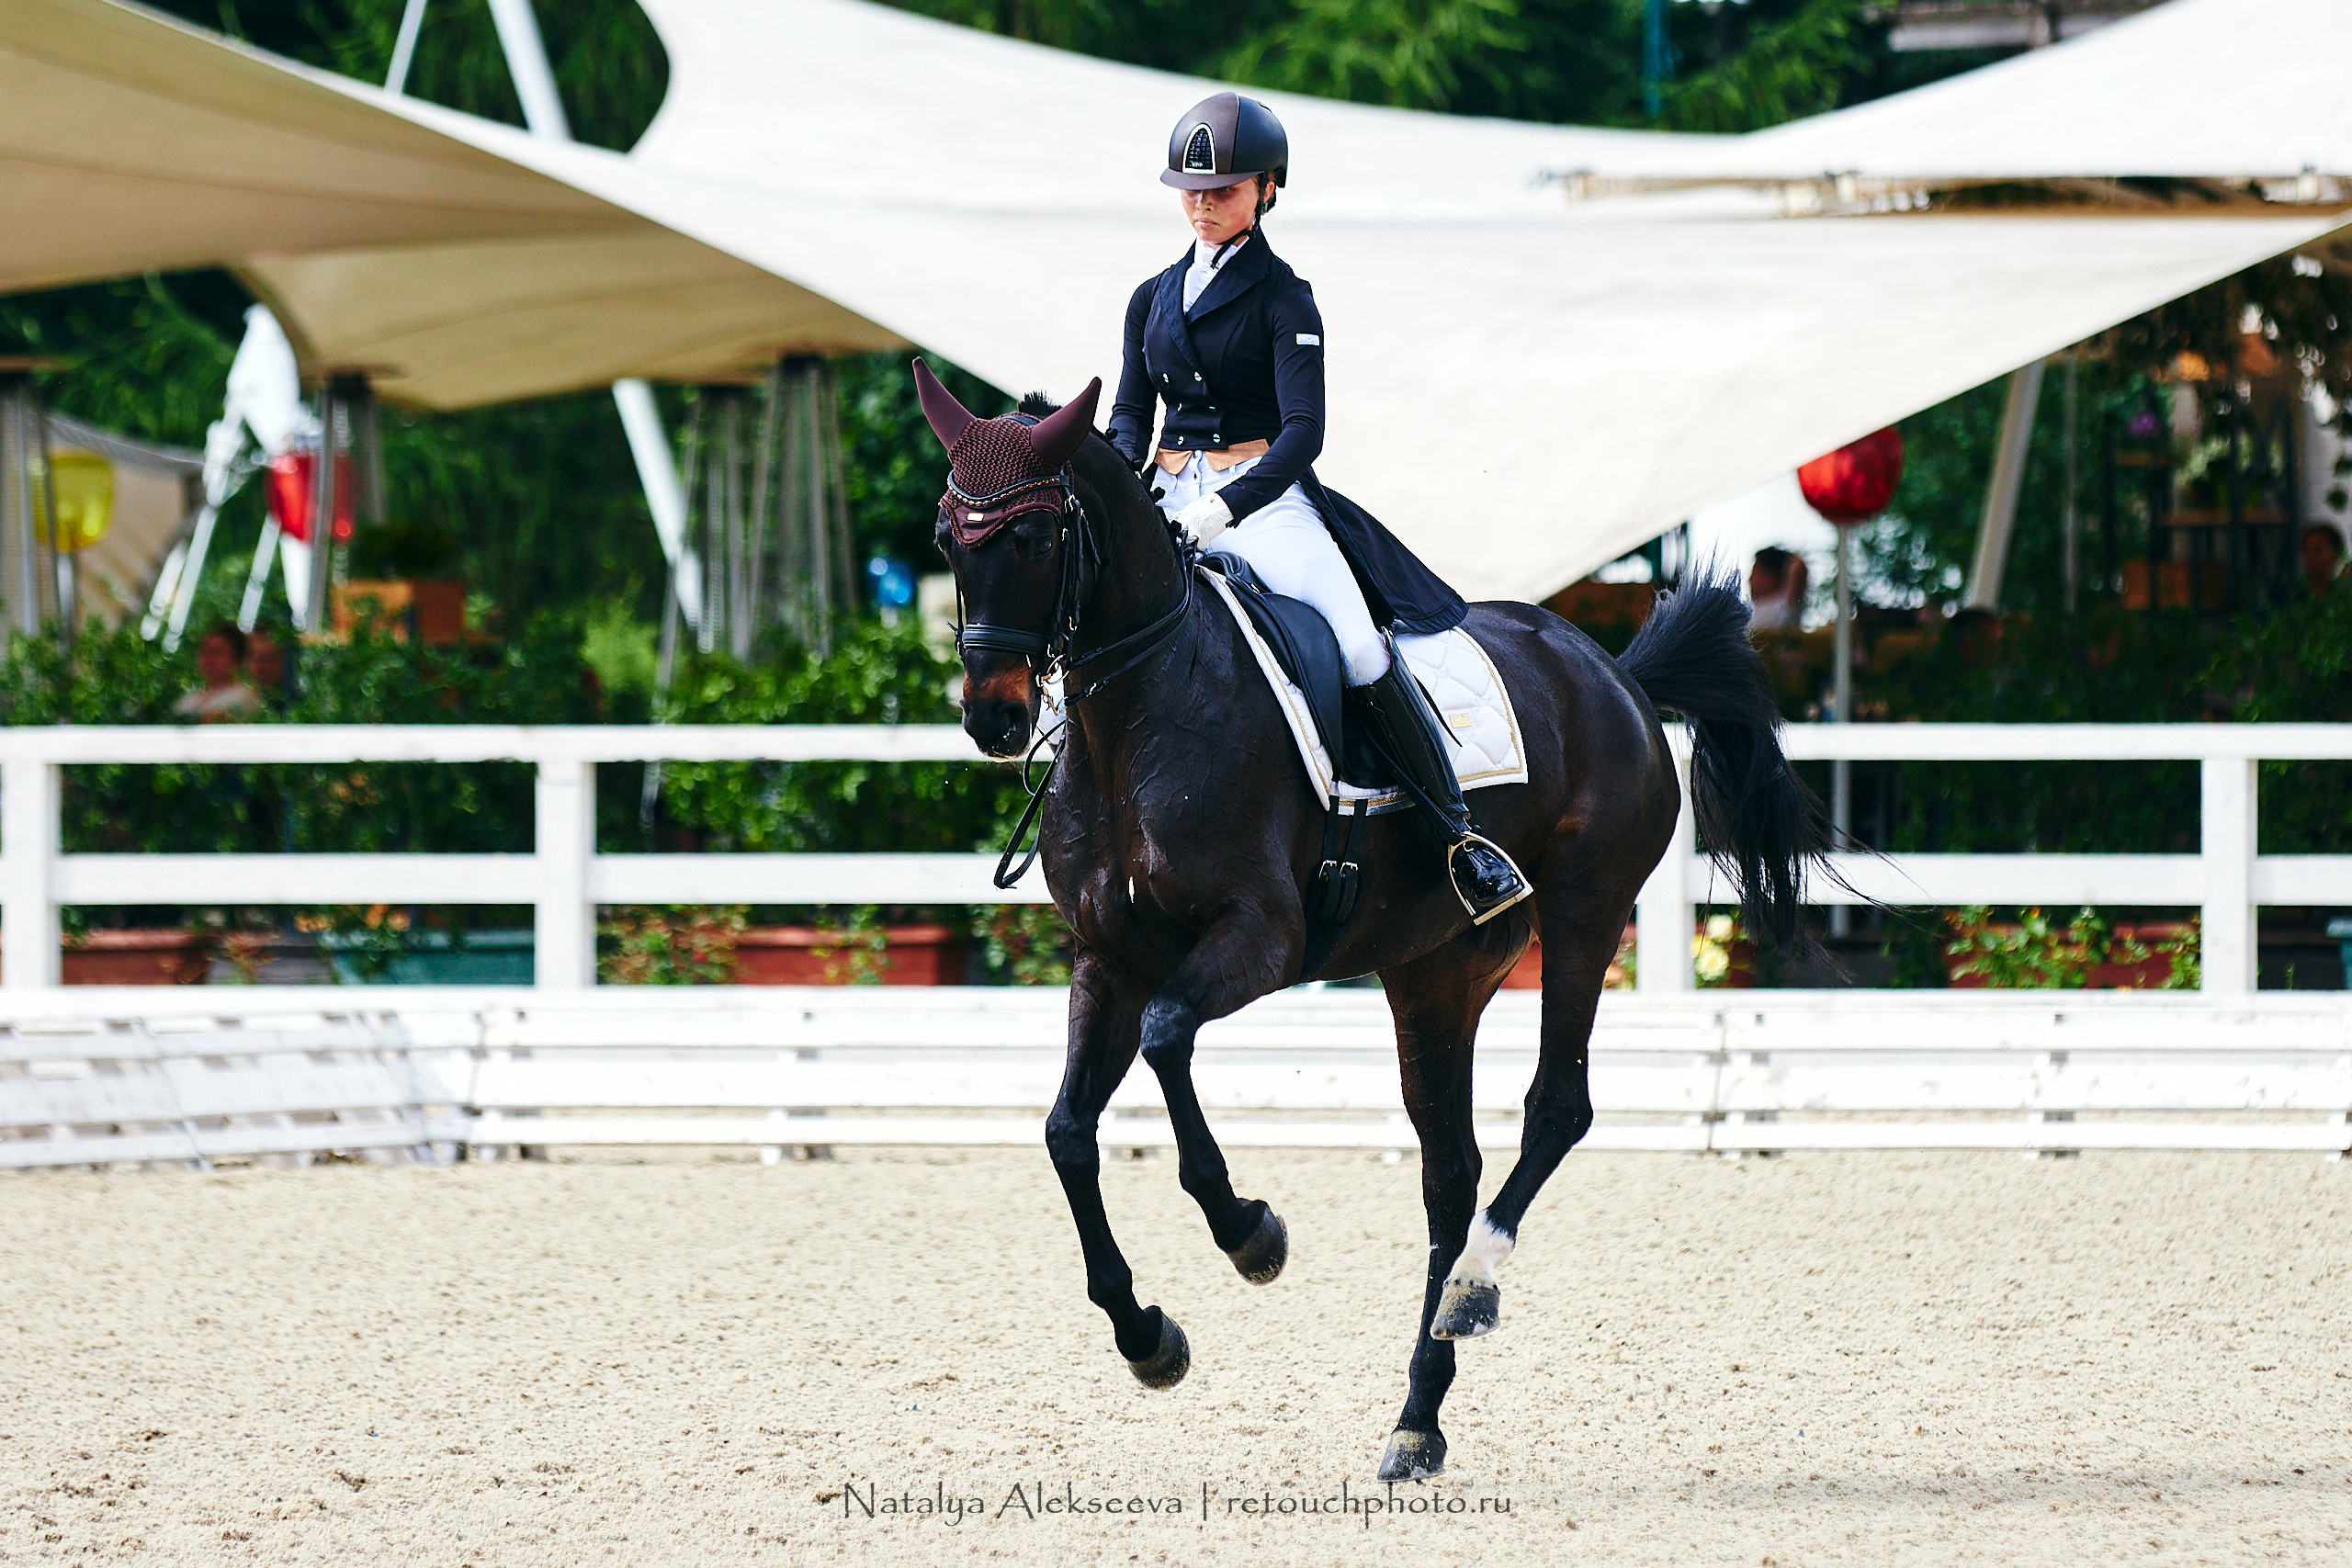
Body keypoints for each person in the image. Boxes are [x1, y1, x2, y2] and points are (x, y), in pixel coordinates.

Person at [1103, 93, 1529, 923]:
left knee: (1358, 641)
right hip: (1163, 493)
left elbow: (1304, 434)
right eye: (1191, 189)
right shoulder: (1151, 297)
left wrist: (1224, 510)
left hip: (1263, 503)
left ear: (1267, 188)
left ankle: (1458, 834)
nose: (1202, 202)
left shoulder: (1283, 299)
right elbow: (1129, 415)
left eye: (1222, 189)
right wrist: (1125, 495)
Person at [173, 620, 261, 722]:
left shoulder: (244, 697)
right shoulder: (189, 698)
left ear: (236, 658)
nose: (210, 659)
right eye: (205, 652)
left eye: (218, 653)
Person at [1747, 547, 1807, 632]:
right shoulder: (1750, 609)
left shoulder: (1784, 606)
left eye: (1755, 573)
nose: (1749, 580)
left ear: (1770, 576)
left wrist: (1781, 558)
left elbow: (1799, 565)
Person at [2301, 523, 2346, 598]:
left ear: (2335, 555)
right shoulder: (2292, 596)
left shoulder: (2344, 597)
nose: (2311, 557)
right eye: (2307, 550)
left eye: (2318, 550)